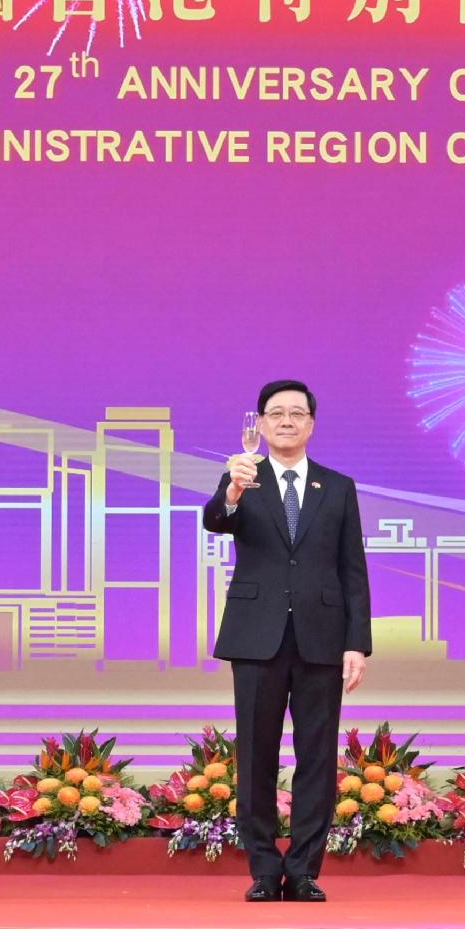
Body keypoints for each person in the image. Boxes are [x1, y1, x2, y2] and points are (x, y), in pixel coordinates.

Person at [202, 379, 373, 902]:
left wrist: (356, 642)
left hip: (322, 639)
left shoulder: (337, 486)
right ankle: (261, 868)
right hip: (257, 637)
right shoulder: (242, 480)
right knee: (255, 755)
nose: (286, 421)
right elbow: (215, 522)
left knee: (317, 756)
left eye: (297, 413)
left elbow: (353, 570)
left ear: (311, 425)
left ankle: (302, 870)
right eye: (276, 413)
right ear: (259, 424)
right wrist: (230, 490)